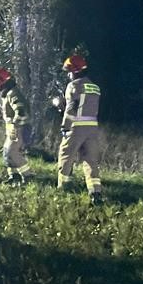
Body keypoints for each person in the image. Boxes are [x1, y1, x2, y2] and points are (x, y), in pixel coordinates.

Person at [55, 54, 103, 203]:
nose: (68, 75)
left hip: (76, 127)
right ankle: (95, 193)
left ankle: (63, 187)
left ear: (75, 71)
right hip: (92, 128)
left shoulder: (74, 86)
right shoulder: (95, 87)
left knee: (65, 155)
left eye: (69, 72)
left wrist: (65, 126)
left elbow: (72, 107)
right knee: (90, 160)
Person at [0, 67, 32, 186]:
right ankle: (14, 176)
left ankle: (28, 176)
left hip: (18, 128)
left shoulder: (13, 94)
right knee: (6, 153)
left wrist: (15, 125)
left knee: (12, 153)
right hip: (12, 129)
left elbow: (22, 112)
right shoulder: (7, 93)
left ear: (1, 82)